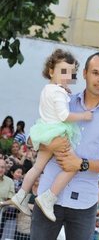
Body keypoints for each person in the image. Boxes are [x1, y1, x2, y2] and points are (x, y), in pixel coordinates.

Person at [30, 51, 99, 240]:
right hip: (47, 197)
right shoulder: (63, 100)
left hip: (84, 204)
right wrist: (49, 143)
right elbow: (32, 136)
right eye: (95, 73)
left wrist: (81, 164)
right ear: (84, 73)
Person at [11, 49, 93, 222]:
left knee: (37, 167)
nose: (66, 76)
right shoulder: (59, 92)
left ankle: (20, 196)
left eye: (70, 73)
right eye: (63, 71)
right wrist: (83, 116)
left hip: (45, 131)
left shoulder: (49, 89)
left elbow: (53, 106)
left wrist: (63, 90)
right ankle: (48, 198)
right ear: (51, 71)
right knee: (73, 165)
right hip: (58, 134)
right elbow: (64, 116)